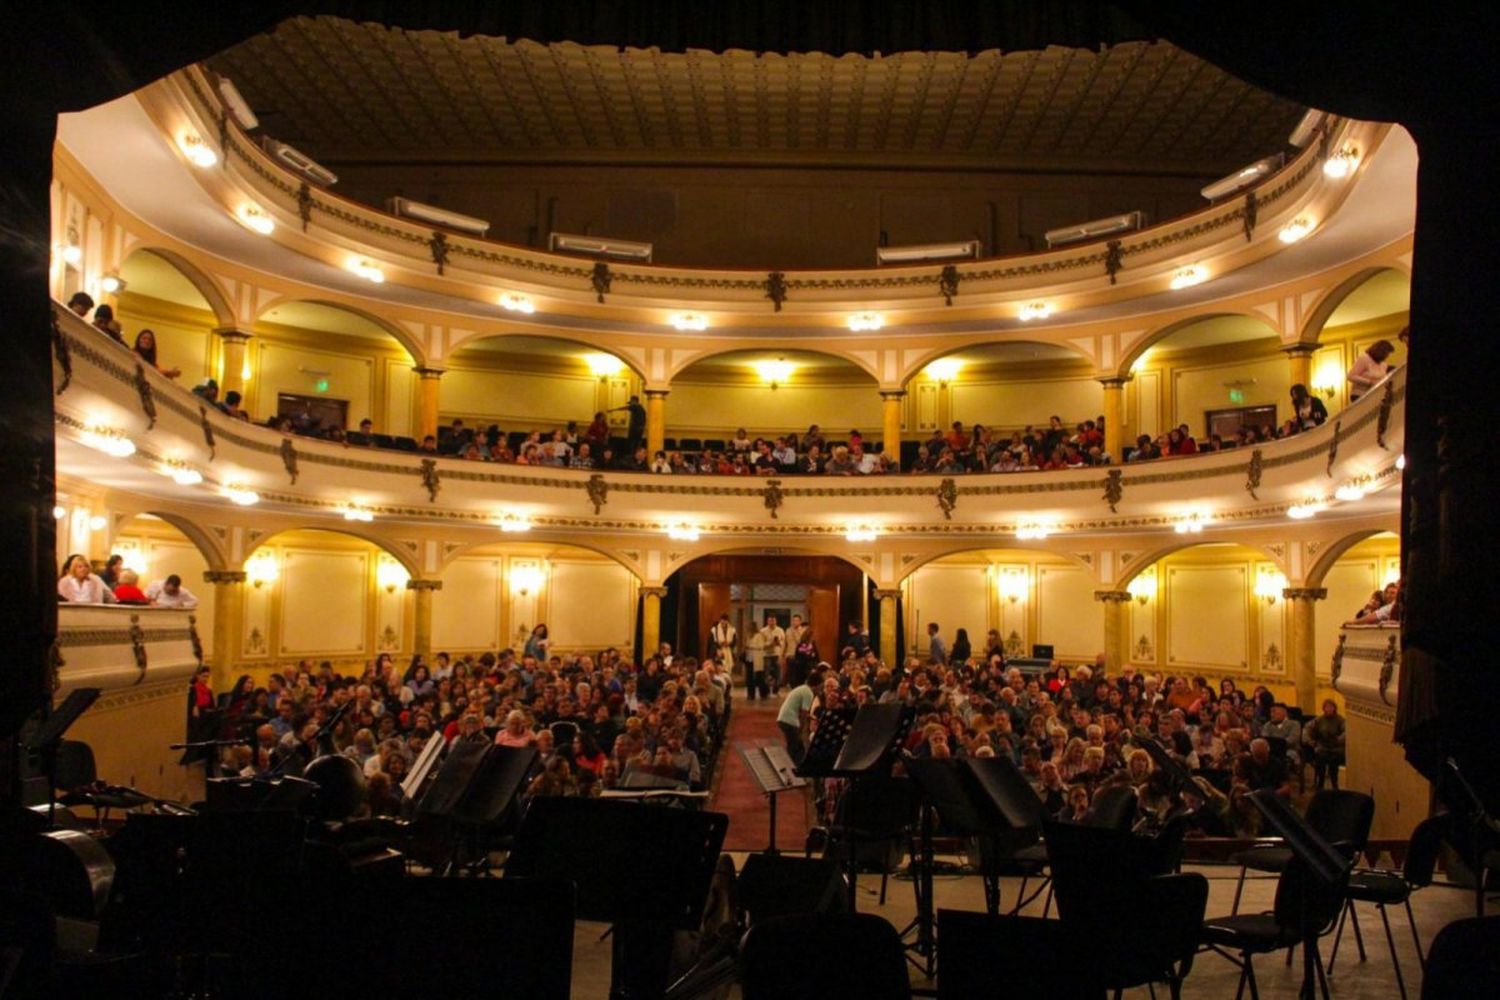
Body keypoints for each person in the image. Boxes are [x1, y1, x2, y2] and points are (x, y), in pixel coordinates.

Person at [1303, 699, 1347, 790]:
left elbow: (1346, 732)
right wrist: (1309, 740)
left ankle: (1335, 784)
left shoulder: (1340, 720)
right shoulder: (1319, 719)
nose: (1328, 709)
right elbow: (1307, 728)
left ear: (1334, 708)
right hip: (1323, 747)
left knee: (1333, 761)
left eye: (1331, 707)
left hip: (1336, 748)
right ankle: (1320, 783)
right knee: (1320, 759)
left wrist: (1339, 739)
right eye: (1326, 707)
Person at [777, 669, 819, 763]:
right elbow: (803, 713)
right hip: (789, 720)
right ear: (817, 685)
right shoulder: (808, 693)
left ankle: (794, 764)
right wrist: (800, 728)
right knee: (795, 747)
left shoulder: (802, 688)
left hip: (783, 718)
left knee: (795, 745)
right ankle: (792, 766)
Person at [758, 614, 785, 696]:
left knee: (778, 673)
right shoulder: (763, 631)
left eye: (773, 620)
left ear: (776, 621)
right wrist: (770, 643)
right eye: (770, 621)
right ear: (767, 621)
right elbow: (761, 644)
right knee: (766, 673)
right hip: (766, 655)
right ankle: (766, 691)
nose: (772, 622)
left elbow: (783, 642)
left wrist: (778, 643)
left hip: (777, 654)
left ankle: (775, 690)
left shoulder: (780, 630)